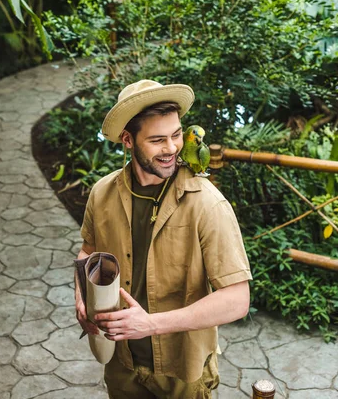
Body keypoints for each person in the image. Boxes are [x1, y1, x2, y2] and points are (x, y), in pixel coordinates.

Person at [75, 80, 252, 399]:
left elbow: (237, 299)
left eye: (175, 135)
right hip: (121, 363)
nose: (172, 148)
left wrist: (151, 324)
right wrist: (81, 297)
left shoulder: (207, 204)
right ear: (128, 140)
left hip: (182, 371)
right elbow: (87, 251)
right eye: (157, 139)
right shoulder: (102, 193)